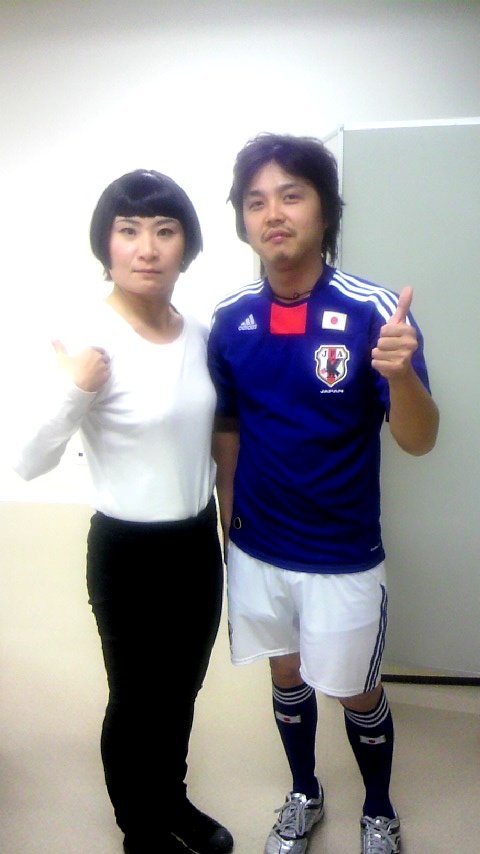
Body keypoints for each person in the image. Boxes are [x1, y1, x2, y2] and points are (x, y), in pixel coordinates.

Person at [208, 133, 439, 854]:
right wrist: (229, 528)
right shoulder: (230, 319)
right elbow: (228, 429)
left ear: (325, 210)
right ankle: (304, 794)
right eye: (256, 201)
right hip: (257, 546)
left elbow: (420, 439)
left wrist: (400, 376)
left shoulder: (375, 312)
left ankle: (379, 809)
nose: (273, 213)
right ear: (243, 219)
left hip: (342, 552)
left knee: (356, 690)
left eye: (291, 195)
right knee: (285, 673)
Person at [12, 169, 234, 854]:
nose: (147, 247)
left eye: (165, 231)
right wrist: (74, 391)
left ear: (186, 246)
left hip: (195, 541)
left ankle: (172, 799)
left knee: (181, 689)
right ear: (105, 244)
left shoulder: (201, 334)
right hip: (126, 550)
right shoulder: (87, 338)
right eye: (129, 230)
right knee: (136, 698)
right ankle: (140, 828)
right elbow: (28, 460)